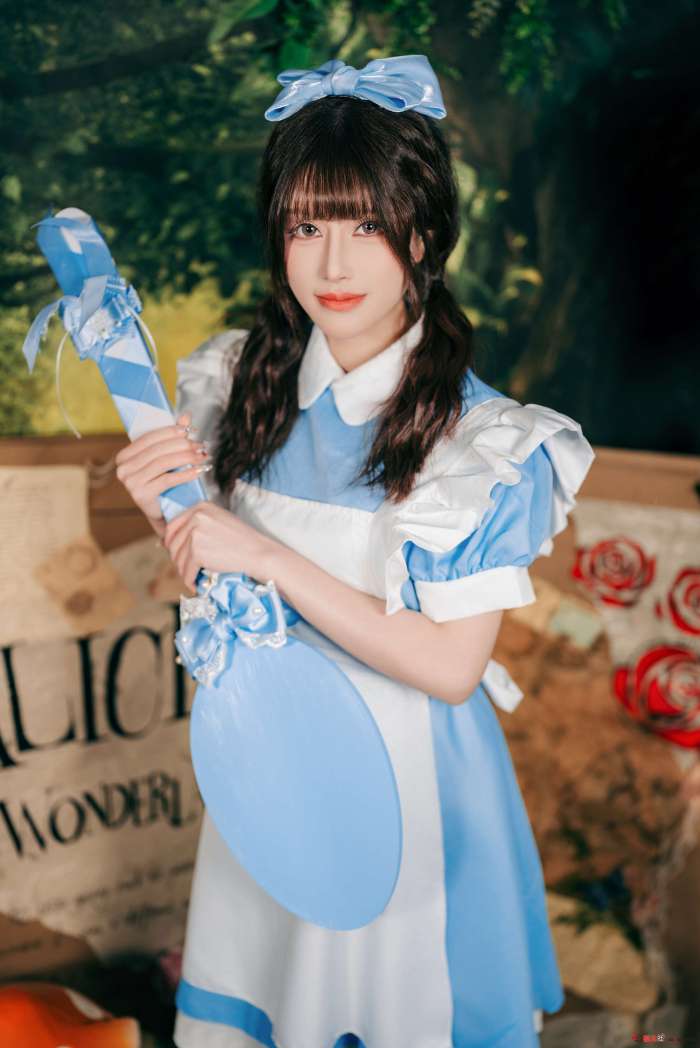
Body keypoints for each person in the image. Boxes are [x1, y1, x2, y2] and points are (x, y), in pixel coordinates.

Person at [115, 55, 595, 1048]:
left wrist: (269, 559)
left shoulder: (483, 443)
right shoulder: (239, 383)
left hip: (406, 795)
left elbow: (450, 668)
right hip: (269, 772)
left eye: (365, 227)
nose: (332, 267)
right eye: (306, 228)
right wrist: (174, 515)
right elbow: (219, 589)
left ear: (422, 234)